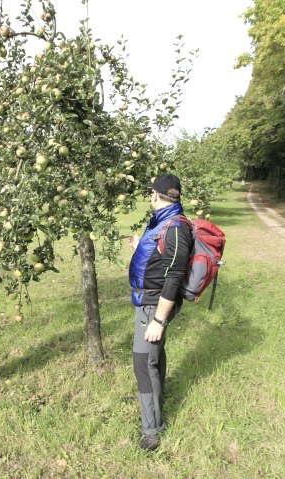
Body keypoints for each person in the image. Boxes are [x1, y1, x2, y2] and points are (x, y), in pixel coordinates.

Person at [128, 173, 193, 452]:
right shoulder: (163, 220)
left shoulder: (176, 227)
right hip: (150, 302)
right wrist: (139, 247)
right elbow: (161, 258)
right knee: (154, 357)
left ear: (154, 194)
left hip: (156, 306)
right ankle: (155, 403)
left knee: (144, 363)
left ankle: (152, 429)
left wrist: (158, 320)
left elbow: (175, 275)